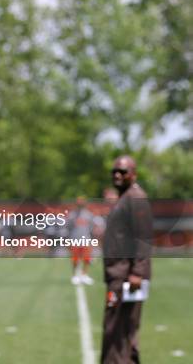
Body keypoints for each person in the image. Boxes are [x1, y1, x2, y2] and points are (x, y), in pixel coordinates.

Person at [101, 155, 153, 363]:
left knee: (117, 329)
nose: (117, 175)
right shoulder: (125, 197)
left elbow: (144, 237)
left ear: (133, 174)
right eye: (114, 171)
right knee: (122, 330)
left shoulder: (136, 197)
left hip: (125, 278)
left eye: (122, 171)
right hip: (118, 275)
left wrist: (137, 272)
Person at [67, 196, 95, 285]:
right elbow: (68, 228)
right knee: (75, 259)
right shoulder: (72, 215)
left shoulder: (89, 215)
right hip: (75, 239)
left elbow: (91, 228)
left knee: (87, 258)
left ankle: (84, 275)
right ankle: (75, 275)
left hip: (86, 239)